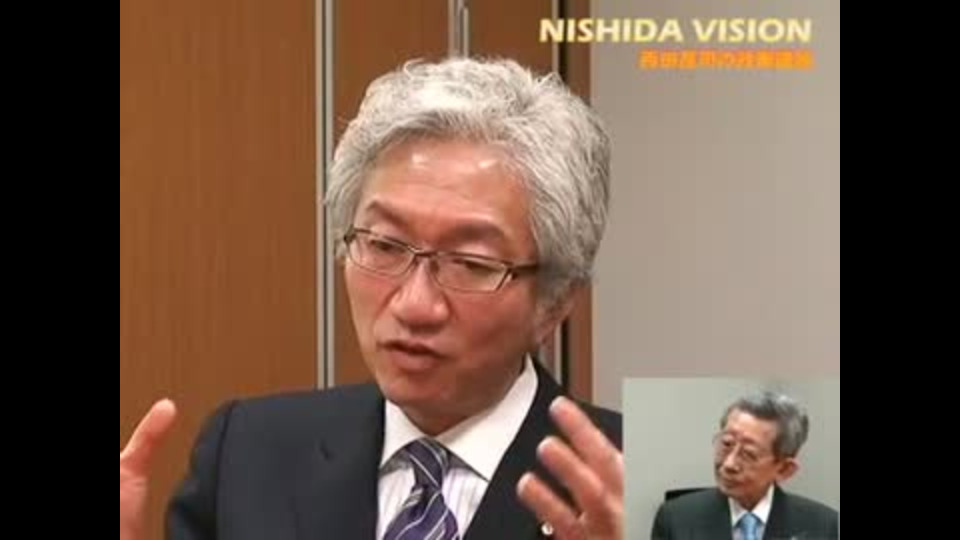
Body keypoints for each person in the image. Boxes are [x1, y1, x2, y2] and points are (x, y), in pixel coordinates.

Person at [120, 56, 623, 540]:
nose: (414, 306)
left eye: (471, 263)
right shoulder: (248, 454)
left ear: (556, 301)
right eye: (384, 245)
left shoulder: (634, 487)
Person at [650, 391, 839, 540]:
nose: (729, 464)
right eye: (726, 444)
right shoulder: (675, 518)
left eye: (748, 454)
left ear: (784, 469)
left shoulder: (824, 526)